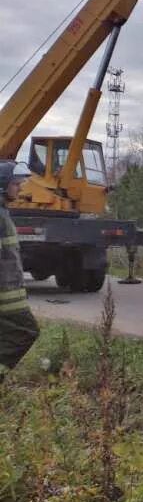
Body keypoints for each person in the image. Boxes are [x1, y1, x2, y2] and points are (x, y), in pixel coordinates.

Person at [0, 161, 38, 382]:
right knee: (26, 331)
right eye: (16, 183)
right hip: (6, 298)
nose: (20, 188)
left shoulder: (3, 213)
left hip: (8, 295)